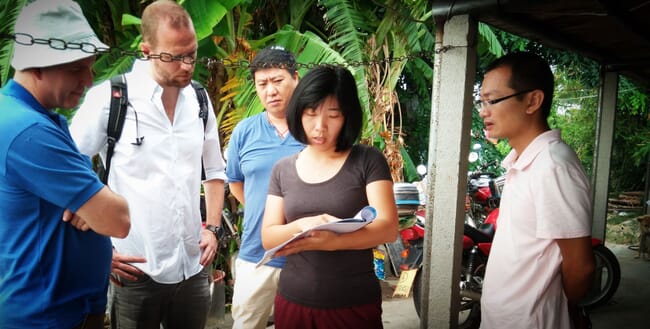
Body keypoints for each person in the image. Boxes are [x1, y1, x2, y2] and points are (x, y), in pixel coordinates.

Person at [69, 1, 226, 328]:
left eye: (192, 54)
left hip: (193, 265)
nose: (186, 65)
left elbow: (213, 170)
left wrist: (212, 227)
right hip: (135, 266)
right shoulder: (111, 99)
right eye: (173, 56)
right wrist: (102, 252)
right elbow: (68, 174)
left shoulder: (198, 99)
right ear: (147, 50)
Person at [0, 1, 131, 328]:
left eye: (89, 66)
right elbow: (117, 219)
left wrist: (90, 205)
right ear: (36, 66)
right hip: (48, 315)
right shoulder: (29, 133)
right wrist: (97, 204)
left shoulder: (29, 115)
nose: (89, 80)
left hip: (55, 302)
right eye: (75, 69)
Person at [260, 65, 399, 329]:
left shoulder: (368, 160)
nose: (320, 127)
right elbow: (269, 235)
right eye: (311, 114)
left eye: (333, 115)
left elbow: (387, 228)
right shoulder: (283, 169)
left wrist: (331, 242)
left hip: (353, 304)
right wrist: (304, 225)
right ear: (298, 112)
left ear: (347, 117)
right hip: (293, 301)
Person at [477, 52, 595, 329]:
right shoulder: (526, 162)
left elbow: (581, 266)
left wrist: (560, 308)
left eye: (492, 100)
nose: (483, 111)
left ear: (532, 100)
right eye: (481, 101)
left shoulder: (553, 166)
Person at [226, 45, 305, 329]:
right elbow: (235, 181)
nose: (270, 91)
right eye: (262, 84)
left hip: (308, 256)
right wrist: (267, 211)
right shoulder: (244, 131)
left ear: (295, 78)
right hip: (256, 254)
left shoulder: (315, 128)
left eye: (278, 81)